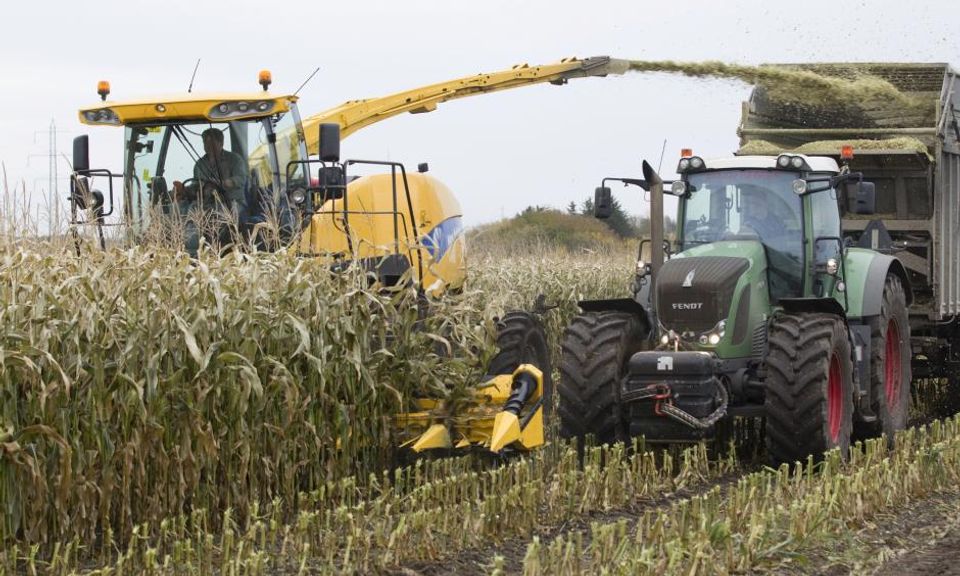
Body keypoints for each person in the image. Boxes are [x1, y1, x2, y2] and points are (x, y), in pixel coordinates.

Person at [173, 127, 249, 252]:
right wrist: (183, 190)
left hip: (231, 201)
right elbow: (196, 185)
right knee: (189, 213)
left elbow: (241, 179)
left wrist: (224, 183)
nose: (208, 146)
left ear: (221, 143)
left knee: (221, 220)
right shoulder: (200, 164)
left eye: (211, 143)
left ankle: (219, 249)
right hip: (207, 202)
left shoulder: (234, 160)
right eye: (205, 143)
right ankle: (190, 251)